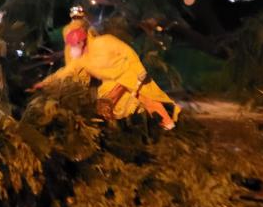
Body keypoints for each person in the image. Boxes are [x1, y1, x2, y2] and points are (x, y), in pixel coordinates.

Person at [31, 27, 182, 130]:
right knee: (106, 106)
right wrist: (45, 83)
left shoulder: (104, 42)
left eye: (74, 45)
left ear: (82, 42)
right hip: (111, 82)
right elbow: (65, 72)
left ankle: (168, 124)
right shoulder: (81, 59)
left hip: (128, 74)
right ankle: (125, 129)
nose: (72, 49)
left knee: (148, 98)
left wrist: (138, 69)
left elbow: (127, 51)